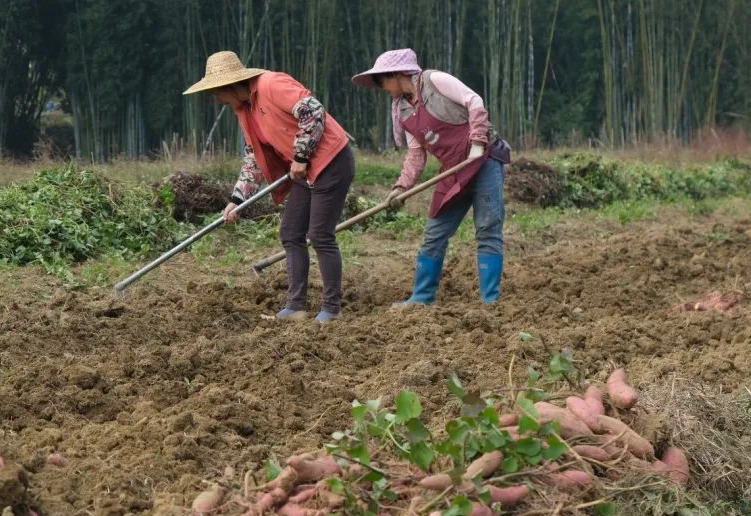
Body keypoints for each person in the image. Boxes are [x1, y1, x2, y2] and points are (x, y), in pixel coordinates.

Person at [184, 51, 355, 323]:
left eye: (216, 93)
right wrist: (238, 199)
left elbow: (313, 111)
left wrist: (300, 155)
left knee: (320, 234)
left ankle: (331, 309)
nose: (216, 101)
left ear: (229, 86)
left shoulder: (271, 85)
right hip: (303, 170)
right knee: (291, 232)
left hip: (331, 161)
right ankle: (296, 306)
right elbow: (253, 156)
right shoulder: (245, 110)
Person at [352, 48, 510, 306]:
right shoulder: (403, 110)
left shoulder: (435, 81)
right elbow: (416, 154)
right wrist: (401, 187)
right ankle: (421, 297)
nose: (382, 88)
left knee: (487, 228)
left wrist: (479, 139)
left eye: (382, 80)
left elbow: (475, 101)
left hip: (483, 159)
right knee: (435, 232)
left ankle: (490, 301)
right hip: (453, 168)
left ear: (398, 74)